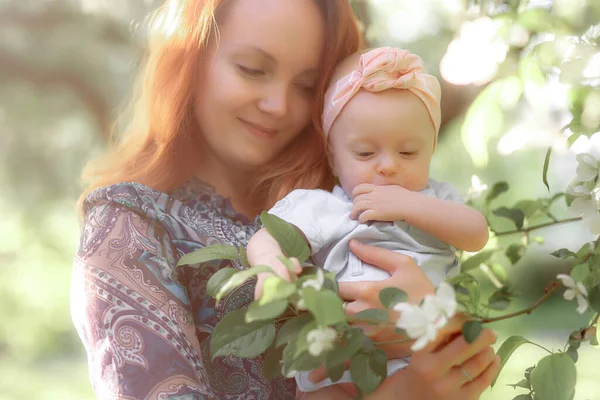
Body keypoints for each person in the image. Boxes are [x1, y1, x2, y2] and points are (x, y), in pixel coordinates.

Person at [71, 0, 499, 399]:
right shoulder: (128, 225)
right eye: (252, 69)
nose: (277, 105)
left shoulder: (344, 199)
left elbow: (460, 346)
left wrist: (437, 325)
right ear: (191, 58)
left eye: (308, 86)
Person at [247, 46, 490, 394]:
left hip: (422, 353)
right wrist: (271, 265)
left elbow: (476, 233)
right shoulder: (325, 207)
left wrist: (408, 204)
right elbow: (267, 236)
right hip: (341, 355)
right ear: (333, 158)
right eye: (365, 153)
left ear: (432, 148)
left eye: (408, 152)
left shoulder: (437, 201)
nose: (388, 165)